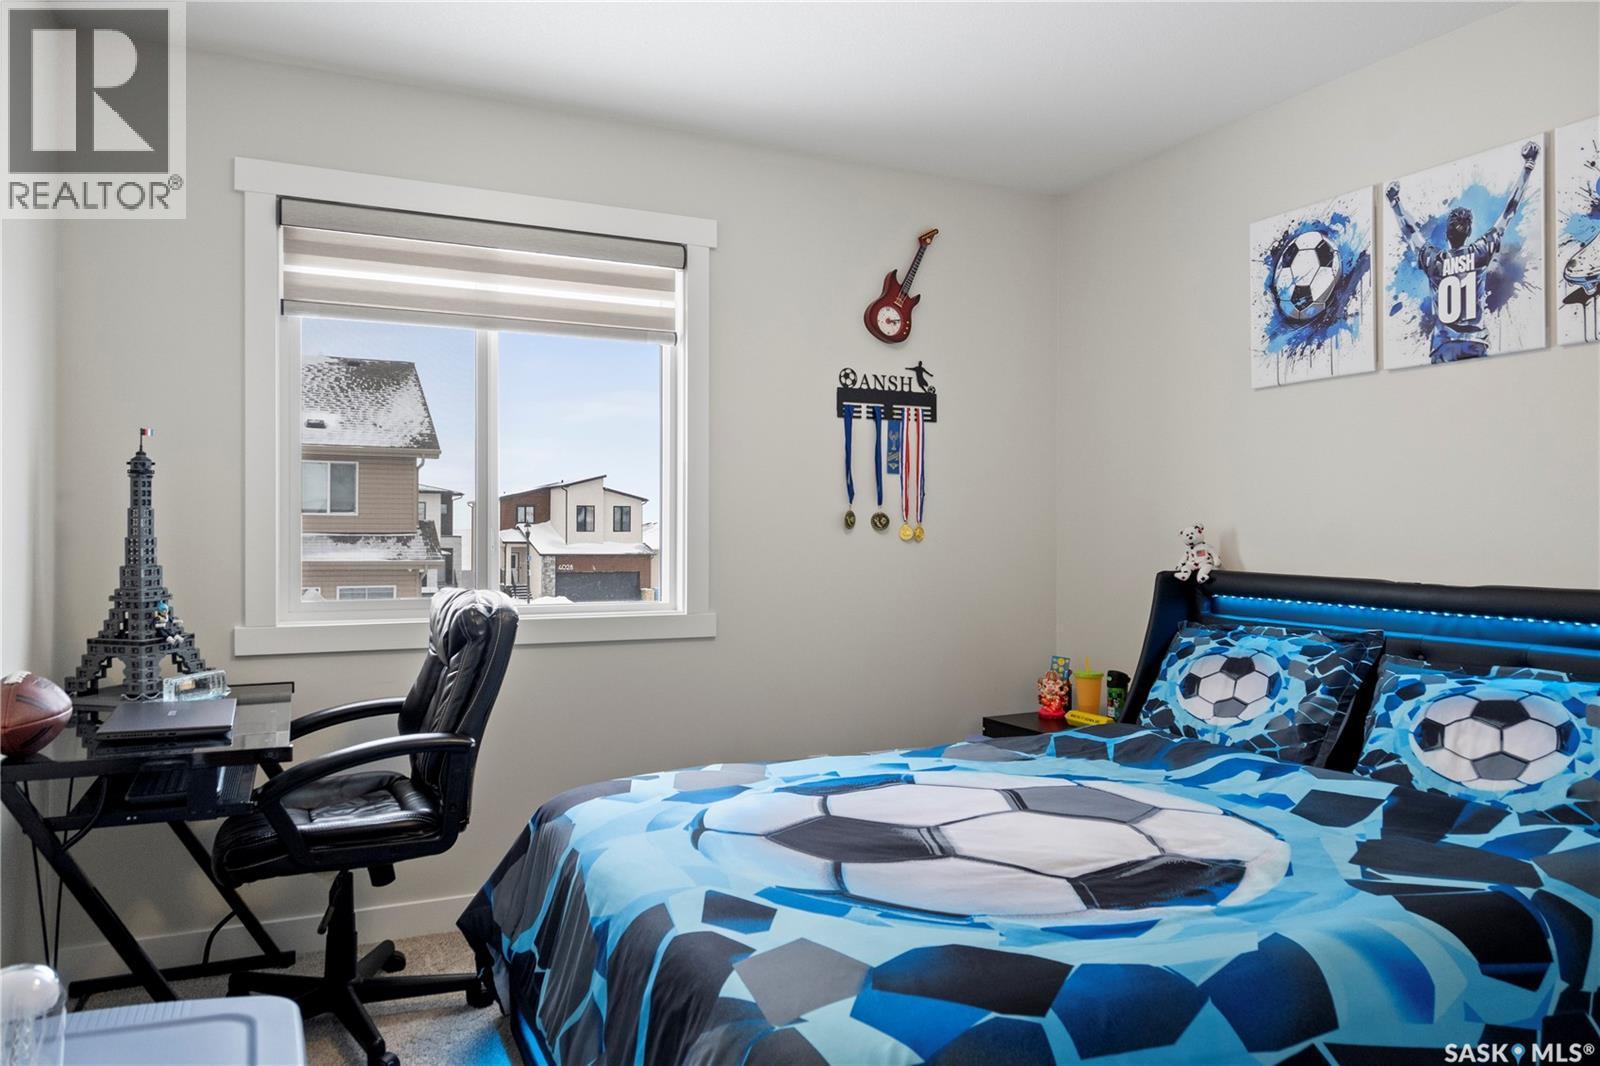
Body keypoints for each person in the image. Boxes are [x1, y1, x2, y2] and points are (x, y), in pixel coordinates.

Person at [1385, 141, 1539, 362]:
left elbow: (1411, 232)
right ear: (1467, 234)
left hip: (1444, 344)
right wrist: (1528, 166)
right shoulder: (1479, 252)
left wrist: (1395, 203)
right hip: (1475, 341)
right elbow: (1509, 211)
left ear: (1447, 235)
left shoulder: (1435, 261)